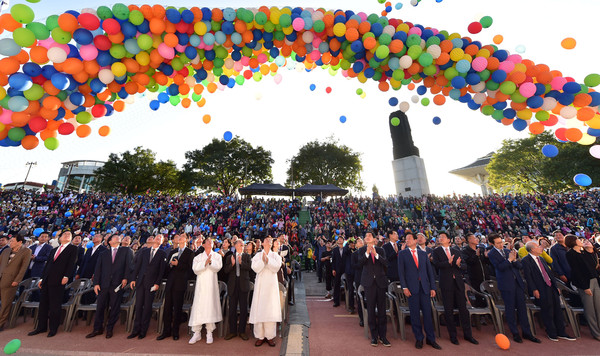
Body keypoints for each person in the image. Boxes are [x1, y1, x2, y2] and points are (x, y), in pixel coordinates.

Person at [487, 233, 540, 344]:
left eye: (501, 242)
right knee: (510, 309)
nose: (501, 245)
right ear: (492, 244)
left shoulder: (507, 251)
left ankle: (527, 333)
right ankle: (515, 333)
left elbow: (520, 267)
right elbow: (500, 267)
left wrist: (514, 260)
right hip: (506, 285)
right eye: (497, 243)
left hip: (518, 283)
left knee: (522, 309)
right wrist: (509, 260)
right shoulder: (491, 254)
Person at [522, 241, 575, 342]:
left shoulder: (541, 258)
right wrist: (534, 289)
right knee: (548, 310)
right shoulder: (526, 260)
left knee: (557, 309)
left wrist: (555, 286)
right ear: (532, 249)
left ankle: (562, 332)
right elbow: (528, 277)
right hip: (540, 287)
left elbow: (549, 273)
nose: (540, 248)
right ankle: (552, 332)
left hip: (551, 286)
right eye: (538, 246)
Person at [28, 231, 78, 337]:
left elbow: (71, 263)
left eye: (69, 235)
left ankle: (53, 328)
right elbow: (48, 265)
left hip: (59, 279)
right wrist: (42, 279)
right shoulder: (54, 250)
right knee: (43, 304)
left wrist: (66, 276)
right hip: (47, 279)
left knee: (55, 305)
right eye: (65, 234)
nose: (67, 235)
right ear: (59, 238)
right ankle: (41, 327)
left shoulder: (73, 249)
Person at [431, 232, 478, 345]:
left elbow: (464, 266)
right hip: (446, 283)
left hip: (458, 283)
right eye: (439, 237)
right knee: (449, 310)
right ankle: (453, 336)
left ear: (449, 240)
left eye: (443, 237)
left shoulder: (456, 251)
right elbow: (437, 265)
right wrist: (448, 262)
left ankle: (468, 335)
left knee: (463, 309)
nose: (440, 238)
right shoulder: (436, 251)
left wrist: (458, 265)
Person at [398, 231, 440, 350]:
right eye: (406, 239)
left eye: (410, 238)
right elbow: (401, 272)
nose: (407, 240)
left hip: (425, 288)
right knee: (415, 314)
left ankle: (431, 339)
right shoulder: (402, 254)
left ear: (416, 241)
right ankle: (419, 338)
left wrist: (432, 287)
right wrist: (404, 287)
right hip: (411, 288)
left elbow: (429, 272)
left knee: (427, 314)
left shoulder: (423, 254)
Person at [86, 234, 133, 339]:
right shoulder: (103, 254)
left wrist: (125, 278)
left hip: (117, 284)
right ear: (110, 241)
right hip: (103, 284)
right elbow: (98, 269)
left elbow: (128, 266)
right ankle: (97, 328)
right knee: (100, 307)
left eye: (118, 237)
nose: (118, 238)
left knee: (115, 307)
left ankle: (110, 328)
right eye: (115, 237)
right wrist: (96, 283)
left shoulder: (126, 251)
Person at [128, 234, 167, 340]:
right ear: (153, 239)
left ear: (162, 241)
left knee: (147, 307)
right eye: (157, 237)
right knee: (138, 305)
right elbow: (138, 266)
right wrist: (133, 279)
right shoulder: (144, 251)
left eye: (161, 238)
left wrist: (157, 283)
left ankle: (143, 331)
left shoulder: (162, 253)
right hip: (140, 282)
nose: (158, 238)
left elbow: (161, 271)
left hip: (152, 284)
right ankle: (135, 330)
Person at [158, 234, 194, 341]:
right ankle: (166, 331)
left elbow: (190, 269)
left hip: (180, 283)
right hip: (170, 283)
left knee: (178, 309)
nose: (180, 238)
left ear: (186, 240)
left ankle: (175, 332)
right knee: (167, 308)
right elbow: (167, 268)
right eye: (179, 237)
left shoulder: (190, 252)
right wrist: (170, 265)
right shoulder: (173, 251)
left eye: (182, 237)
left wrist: (178, 264)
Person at [188, 237, 223, 345]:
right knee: (198, 307)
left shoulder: (217, 256)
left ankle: (209, 332)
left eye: (211, 242)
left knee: (210, 307)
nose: (210, 243)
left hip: (211, 286)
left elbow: (218, 268)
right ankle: (197, 333)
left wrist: (210, 262)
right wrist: (204, 263)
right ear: (203, 245)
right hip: (201, 287)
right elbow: (195, 269)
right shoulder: (198, 257)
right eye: (208, 241)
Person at [565, 234, 600, 340]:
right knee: (590, 310)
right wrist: (585, 287)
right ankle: (596, 333)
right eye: (578, 240)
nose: (580, 241)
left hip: (594, 281)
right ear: (573, 242)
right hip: (585, 284)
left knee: (598, 307)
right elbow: (577, 272)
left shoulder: (583, 252)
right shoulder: (571, 254)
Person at [358, 232, 390, 347]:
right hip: (369, 283)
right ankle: (374, 336)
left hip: (380, 283)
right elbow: (359, 263)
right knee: (371, 310)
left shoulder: (380, 250)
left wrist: (376, 255)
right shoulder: (361, 251)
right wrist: (367, 253)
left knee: (382, 310)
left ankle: (383, 336)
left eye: (369, 236)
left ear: (374, 239)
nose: (367, 238)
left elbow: (386, 263)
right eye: (365, 236)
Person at [249, 237, 282, 347]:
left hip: (271, 286)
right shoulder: (257, 256)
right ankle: (260, 336)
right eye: (266, 240)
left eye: (270, 240)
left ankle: (270, 336)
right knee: (259, 309)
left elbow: (276, 268)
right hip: (260, 286)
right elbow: (255, 268)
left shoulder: (276, 256)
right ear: (262, 243)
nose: (269, 241)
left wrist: (268, 260)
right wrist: (263, 261)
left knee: (270, 310)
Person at [0, 235, 31, 331]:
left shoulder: (26, 251)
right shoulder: (5, 251)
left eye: (13, 241)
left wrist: (17, 280)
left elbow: (23, 268)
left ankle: (1, 323)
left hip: (10, 280)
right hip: (1, 277)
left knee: (5, 303)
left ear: (19, 242)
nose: (10, 242)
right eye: (10, 241)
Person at [224, 239, 251, 340]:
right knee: (232, 309)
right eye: (240, 245)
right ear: (235, 245)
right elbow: (226, 270)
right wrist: (232, 264)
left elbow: (250, 268)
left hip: (243, 285)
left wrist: (241, 262)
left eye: (243, 245)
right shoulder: (229, 257)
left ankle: (242, 331)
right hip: (233, 286)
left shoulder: (247, 256)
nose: (242, 246)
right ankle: (232, 331)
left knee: (244, 309)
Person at [461, 233, 490, 307]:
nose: (477, 239)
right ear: (469, 240)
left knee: (488, 296)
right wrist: (476, 256)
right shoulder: (465, 251)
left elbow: (487, 263)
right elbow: (469, 262)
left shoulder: (481, 249)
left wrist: (487, 257)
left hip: (485, 276)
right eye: (474, 238)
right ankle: (481, 315)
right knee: (479, 297)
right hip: (475, 277)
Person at [352, 237, 365, 327]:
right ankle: (362, 318)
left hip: (369, 277)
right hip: (359, 278)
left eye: (361, 241)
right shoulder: (354, 254)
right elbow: (354, 265)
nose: (361, 242)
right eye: (358, 241)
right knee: (360, 298)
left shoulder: (368, 252)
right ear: (356, 245)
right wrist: (362, 263)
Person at [331, 236, 346, 307]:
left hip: (345, 269)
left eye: (341, 239)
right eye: (338, 239)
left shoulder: (346, 249)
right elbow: (333, 260)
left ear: (343, 241)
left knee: (347, 285)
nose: (339, 240)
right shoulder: (335, 250)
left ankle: (347, 300)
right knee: (336, 285)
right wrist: (333, 269)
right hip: (337, 269)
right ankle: (336, 301)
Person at [343, 238, 357, 313]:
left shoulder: (357, 250)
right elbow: (345, 250)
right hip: (349, 272)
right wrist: (348, 243)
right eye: (351, 243)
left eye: (354, 243)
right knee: (351, 289)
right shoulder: (347, 250)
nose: (352, 244)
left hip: (357, 271)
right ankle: (351, 306)